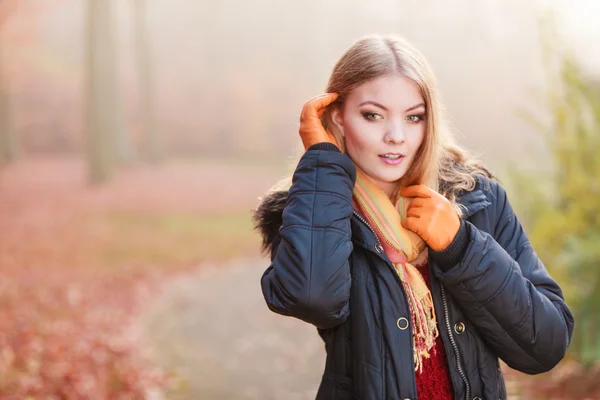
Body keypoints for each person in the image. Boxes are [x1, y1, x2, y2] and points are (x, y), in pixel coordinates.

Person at [252, 34, 574, 400]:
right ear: (338, 117)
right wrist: (323, 163)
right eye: (372, 115)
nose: (396, 136)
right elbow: (313, 298)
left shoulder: (478, 201)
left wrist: (460, 246)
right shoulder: (314, 209)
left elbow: (545, 344)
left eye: (413, 117)